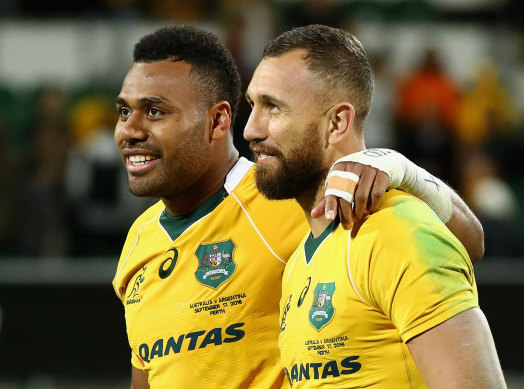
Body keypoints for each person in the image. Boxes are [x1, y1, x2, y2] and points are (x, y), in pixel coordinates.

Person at [112, 25, 485, 388]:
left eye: (156, 111)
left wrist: (398, 167)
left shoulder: (306, 200)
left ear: (218, 120)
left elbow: (466, 242)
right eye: (124, 112)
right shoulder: (138, 243)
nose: (129, 130)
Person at [244, 25, 505, 388]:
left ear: (337, 123)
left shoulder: (394, 232)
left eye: (273, 107)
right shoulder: (303, 259)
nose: (250, 130)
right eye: (252, 105)